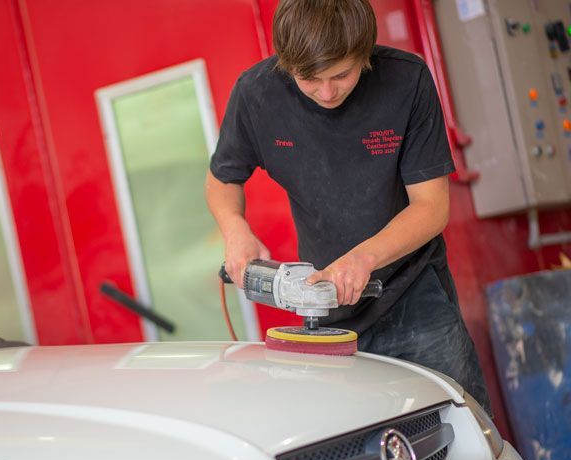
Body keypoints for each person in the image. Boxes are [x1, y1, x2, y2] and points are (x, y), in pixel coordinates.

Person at [205, 0, 491, 411]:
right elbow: (221, 180)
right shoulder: (256, 95)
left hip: (414, 292)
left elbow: (432, 207)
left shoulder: (406, 81)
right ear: (286, 65)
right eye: (309, 79)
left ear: (365, 54)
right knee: (357, 434)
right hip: (326, 308)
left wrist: (363, 259)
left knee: (463, 421)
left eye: (342, 74)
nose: (326, 92)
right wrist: (235, 230)